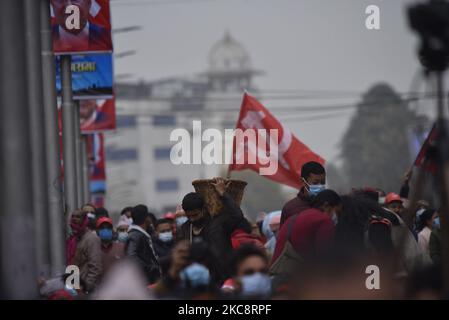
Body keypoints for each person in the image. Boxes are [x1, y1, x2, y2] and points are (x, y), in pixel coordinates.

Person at [177, 177, 245, 284]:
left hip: (222, 280)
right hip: (196, 282)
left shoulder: (218, 224)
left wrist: (223, 195)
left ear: (203, 210)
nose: (192, 219)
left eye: (195, 215)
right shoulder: (184, 229)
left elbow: (237, 216)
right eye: (188, 216)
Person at [270, 190, 342, 285]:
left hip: (278, 275)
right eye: (338, 212)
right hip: (296, 281)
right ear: (326, 206)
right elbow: (325, 257)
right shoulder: (324, 221)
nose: (337, 217)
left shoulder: (295, 217)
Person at [67, 209, 103, 294]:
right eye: (73, 216)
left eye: (78, 217)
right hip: (73, 286)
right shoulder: (72, 239)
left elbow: (95, 267)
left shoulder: (91, 239)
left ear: (84, 220)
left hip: (85, 289)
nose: (74, 219)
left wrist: (86, 287)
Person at [280, 161, 326, 226]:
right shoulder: (290, 208)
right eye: (315, 183)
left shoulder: (329, 205)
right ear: (303, 181)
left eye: (323, 183)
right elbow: (284, 234)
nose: (320, 186)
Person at [126, 205, 161, 285]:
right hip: (144, 280)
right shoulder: (135, 235)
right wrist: (150, 267)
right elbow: (131, 256)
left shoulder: (142, 234)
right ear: (146, 218)